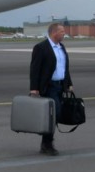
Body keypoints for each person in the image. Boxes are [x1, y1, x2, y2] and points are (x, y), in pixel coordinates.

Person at [29, 23, 73, 156]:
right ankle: (47, 144)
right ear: (54, 33)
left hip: (60, 85)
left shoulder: (61, 48)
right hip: (48, 87)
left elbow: (64, 67)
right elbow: (35, 69)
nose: (64, 33)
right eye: (62, 31)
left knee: (54, 115)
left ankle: (46, 142)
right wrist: (34, 88)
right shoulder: (41, 48)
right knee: (54, 114)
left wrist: (69, 83)